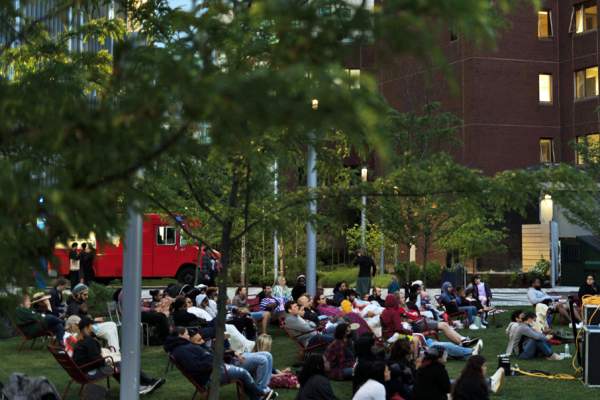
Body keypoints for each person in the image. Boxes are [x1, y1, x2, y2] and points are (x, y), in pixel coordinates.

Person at [164, 327, 277, 400]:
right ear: (181, 335)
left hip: (222, 364)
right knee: (245, 371)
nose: (188, 336)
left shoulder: (185, 347)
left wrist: (230, 353)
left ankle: (261, 391)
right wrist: (214, 361)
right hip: (213, 374)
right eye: (187, 334)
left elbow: (207, 356)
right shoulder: (182, 350)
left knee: (267, 355)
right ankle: (260, 393)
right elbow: (195, 367)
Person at [74, 317, 164, 395]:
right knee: (120, 364)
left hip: (83, 371)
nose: (93, 328)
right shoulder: (89, 341)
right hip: (90, 372)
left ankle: (145, 383)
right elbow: (96, 359)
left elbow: (90, 358)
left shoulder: (80, 342)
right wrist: (107, 360)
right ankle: (142, 385)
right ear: (88, 327)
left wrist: (107, 359)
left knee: (117, 364)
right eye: (92, 326)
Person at [65, 283, 121, 352]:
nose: (87, 296)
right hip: (88, 329)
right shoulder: (73, 306)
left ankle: (114, 352)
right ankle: (115, 353)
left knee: (110, 330)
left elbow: (83, 318)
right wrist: (93, 320)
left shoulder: (79, 304)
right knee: (112, 325)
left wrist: (92, 319)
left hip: (91, 327)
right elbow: (79, 322)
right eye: (85, 294)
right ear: (77, 294)